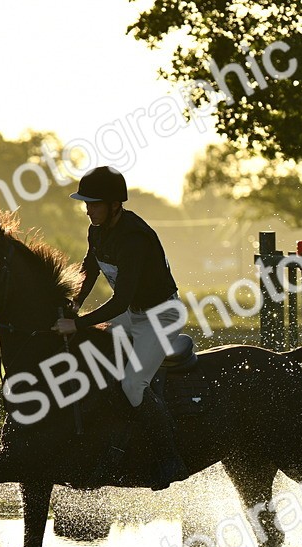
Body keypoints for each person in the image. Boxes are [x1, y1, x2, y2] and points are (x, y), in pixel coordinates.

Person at [51, 165, 189, 490]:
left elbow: (120, 302)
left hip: (161, 315)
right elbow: (89, 270)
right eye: (86, 204)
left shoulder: (134, 238)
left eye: (94, 204)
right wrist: (73, 304)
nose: (89, 210)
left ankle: (170, 458)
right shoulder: (97, 230)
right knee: (89, 356)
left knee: (131, 386)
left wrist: (77, 322)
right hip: (133, 313)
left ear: (115, 205)